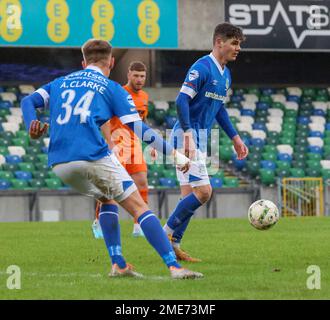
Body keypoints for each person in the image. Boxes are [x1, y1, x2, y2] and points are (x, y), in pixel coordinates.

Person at [21, 39, 203, 279]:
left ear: (83, 62)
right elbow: (139, 129)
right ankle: (174, 267)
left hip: (60, 163)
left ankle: (118, 264)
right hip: (92, 156)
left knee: (107, 199)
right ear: (112, 62)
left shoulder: (59, 83)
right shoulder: (110, 87)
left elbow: (27, 101)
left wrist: (30, 125)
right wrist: (175, 154)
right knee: (139, 207)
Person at [163, 23, 249, 262]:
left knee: (188, 196)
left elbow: (218, 108)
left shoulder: (226, 74)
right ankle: (164, 236)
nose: (238, 48)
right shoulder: (201, 67)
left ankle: (174, 245)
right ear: (219, 42)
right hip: (186, 136)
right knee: (203, 192)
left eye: (239, 44)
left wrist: (235, 137)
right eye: (234, 43)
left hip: (199, 136)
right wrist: (188, 134)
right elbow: (181, 101)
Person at [93, 61, 153, 238]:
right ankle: (98, 222)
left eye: (142, 76)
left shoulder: (144, 97)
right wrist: (109, 141)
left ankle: (138, 224)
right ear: (128, 75)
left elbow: (142, 122)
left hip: (134, 144)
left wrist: (150, 142)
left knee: (142, 181)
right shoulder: (117, 93)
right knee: (111, 187)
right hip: (117, 145)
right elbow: (103, 118)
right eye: (136, 75)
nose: (139, 79)